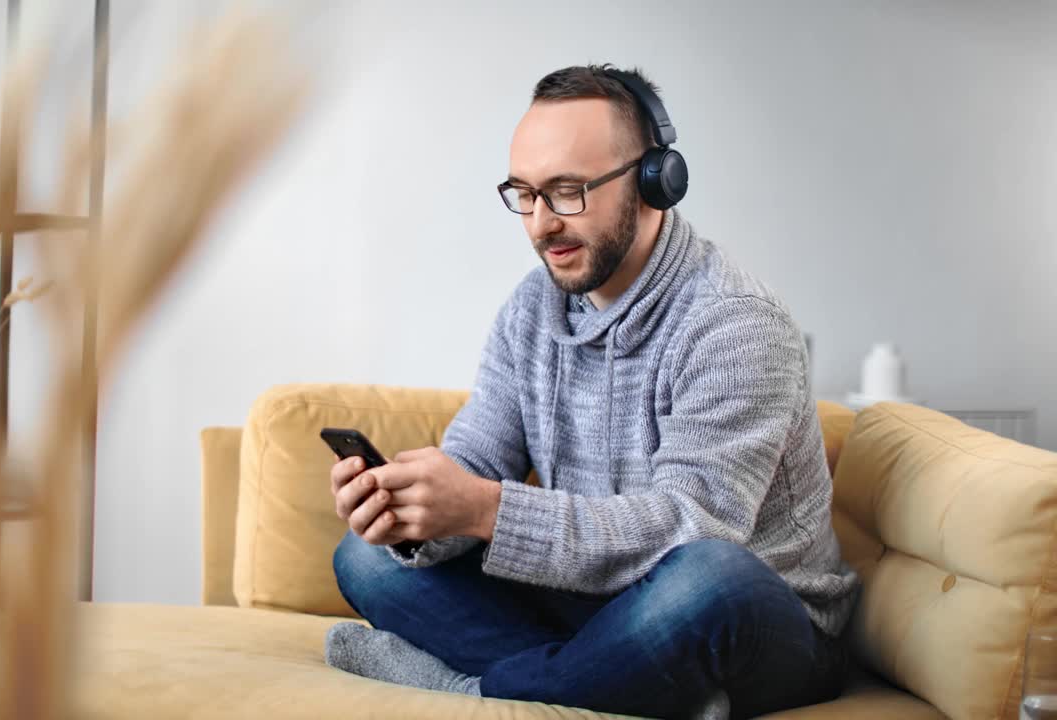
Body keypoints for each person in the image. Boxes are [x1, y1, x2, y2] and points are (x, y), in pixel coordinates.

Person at [323, 64, 859, 720]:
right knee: (368, 558)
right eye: (524, 194)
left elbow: (694, 526)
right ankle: (625, 682)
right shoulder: (530, 313)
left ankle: (473, 692)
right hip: (602, 606)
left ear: (655, 180)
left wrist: (487, 511)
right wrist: (411, 512)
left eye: (567, 191)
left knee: (708, 579)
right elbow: (475, 461)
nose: (541, 224)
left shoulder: (735, 322)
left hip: (760, 619)